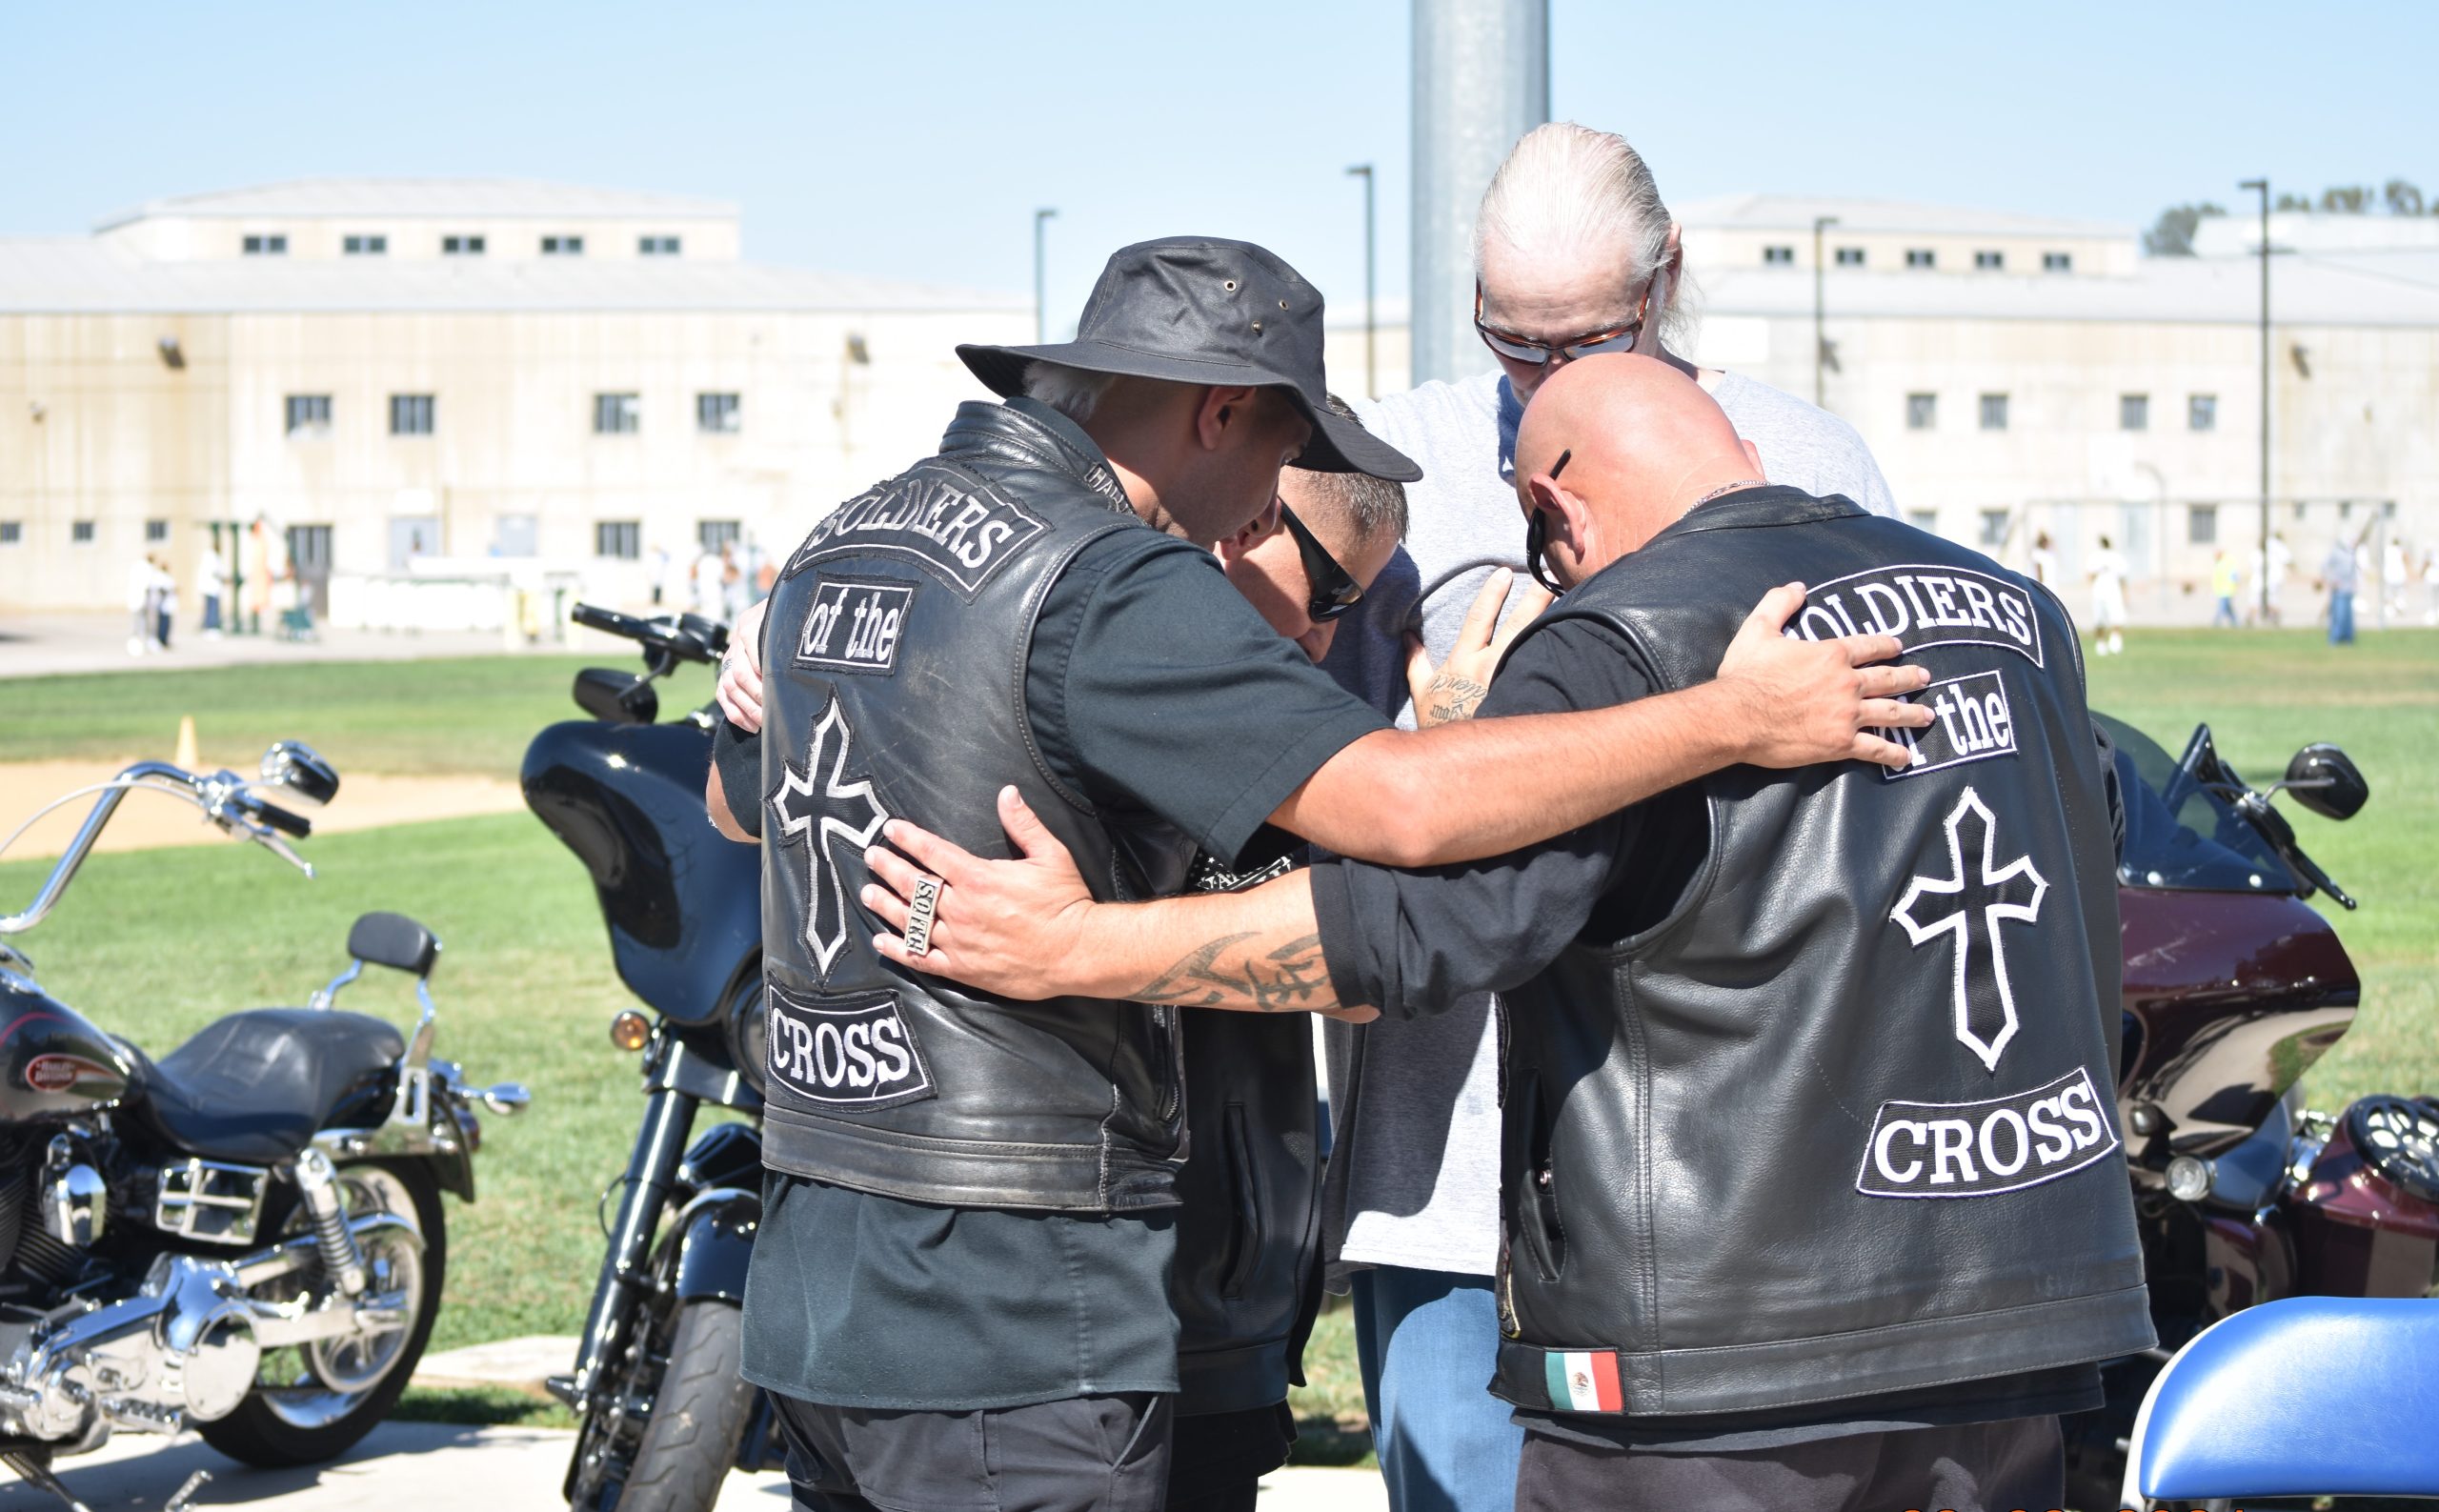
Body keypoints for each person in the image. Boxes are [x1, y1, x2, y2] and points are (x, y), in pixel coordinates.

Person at [701, 239, 1931, 1512]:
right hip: (1008, 1304)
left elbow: (733, 795)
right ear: (1220, 407)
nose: (1265, 501)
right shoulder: (1110, 578)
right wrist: (1727, 718)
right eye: (1285, 452)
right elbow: (1401, 812)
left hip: (819, 1287)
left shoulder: (850, 535)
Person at [860, 354, 2152, 1512]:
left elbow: (1410, 933)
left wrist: (1070, 945)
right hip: (2021, 1325)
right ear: (1740, 454)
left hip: (1720, 1362)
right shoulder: (2024, 616)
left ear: (1557, 517)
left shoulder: (1615, 640)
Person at [1311, 121, 1903, 1512]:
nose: (1544, 383)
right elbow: (1292, 776)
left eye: (1583, 342)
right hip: (1462, 1182)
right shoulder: (1393, 464)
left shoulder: (1811, 456)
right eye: (1509, 342)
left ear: (1667, 282)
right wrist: (1429, 740)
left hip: (1749, 1180)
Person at [2086, 534, 2127, 655]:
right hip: (2104, 593)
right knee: (2103, 620)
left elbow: (2089, 577)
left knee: (2112, 618)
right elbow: (2090, 575)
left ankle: (2109, 644)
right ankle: (2106, 644)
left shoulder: (2115, 557)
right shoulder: (2097, 557)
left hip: (2107, 593)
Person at [2323, 531, 2362, 644]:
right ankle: (2335, 639)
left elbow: (2353, 570)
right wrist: (2332, 581)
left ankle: (2348, 638)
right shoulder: (2336, 553)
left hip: (2349, 589)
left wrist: (2355, 581)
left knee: (2348, 617)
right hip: (2338, 590)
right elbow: (2324, 568)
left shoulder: (2351, 553)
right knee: (2338, 615)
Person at [199, 540, 228, 637]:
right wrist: (224, 579)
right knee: (212, 608)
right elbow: (215, 572)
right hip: (211, 587)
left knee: (211, 608)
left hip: (211, 588)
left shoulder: (212, 556)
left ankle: (210, 626)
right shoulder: (211, 557)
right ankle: (211, 628)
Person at [2209, 548, 2242, 628]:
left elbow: (2234, 576)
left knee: (2222, 607)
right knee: (2228, 608)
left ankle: (2216, 622)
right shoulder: (2219, 563)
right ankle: (2236, 622)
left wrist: (2235, 586)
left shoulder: (2227, 564)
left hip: (2227, 590)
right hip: (2222, 590)